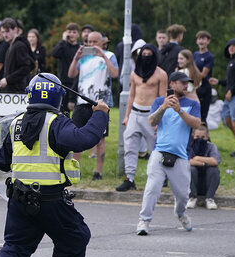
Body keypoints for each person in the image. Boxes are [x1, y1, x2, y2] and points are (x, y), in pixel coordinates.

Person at [0, 73, 108, 257]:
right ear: (58, 97)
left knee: (16, 245)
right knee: (75, 239)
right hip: (51, 201)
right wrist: (100, 114)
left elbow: (1, 160)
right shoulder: (57, 123)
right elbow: (84, 139)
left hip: (18, 199)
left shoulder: (16, 123)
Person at [136, 71, 201, 235]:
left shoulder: (192, 104)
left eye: (187, 83)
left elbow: (196, 123)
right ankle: (144, 221)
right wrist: (164, 107)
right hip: (159, 153)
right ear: (172, 84)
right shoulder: (159, 102)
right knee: (152, 187)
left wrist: (179, 110)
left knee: (182, 195)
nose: (186, 86)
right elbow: (152, 121)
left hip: (181, 156)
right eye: (183, 82)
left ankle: (181, 213)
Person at [68, 30, 119, 180]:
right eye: (89, 42)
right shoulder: (83, 58)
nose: (91, 45)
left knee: (100, 139)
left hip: (100, 103)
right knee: (75, 136)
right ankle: (75, 171)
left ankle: (98, 172)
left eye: (94, 42)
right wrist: (76, 58)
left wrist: (102, 55)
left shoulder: (109, 56)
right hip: (82, 101)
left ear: (102, 42)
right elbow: (71, 74)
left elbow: (115, 74)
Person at [117, 44, 167, 191]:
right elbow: (131, 95)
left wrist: (159, 120)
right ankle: (129, 178)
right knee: (130, 147)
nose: (146, 56)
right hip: (135, 113)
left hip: (151, 114)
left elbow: (162, 98)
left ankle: (160, 177)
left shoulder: (161, 74)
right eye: (143, 54)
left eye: (149, 54)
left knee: (155, 148)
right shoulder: (135, 73)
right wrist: (127, 116)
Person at [209, 39, 235, 159]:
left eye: (234, 46)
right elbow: (231, 81)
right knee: (227, 121)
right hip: (229, 97)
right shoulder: (231, 62)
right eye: (230, 46)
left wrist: (232, 91)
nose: (231, 48)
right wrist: (219, 82)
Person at [187, 125, 220, 210]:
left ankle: (210, 198)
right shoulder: (189, 146)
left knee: (214, 169)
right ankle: (192, 197)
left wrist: (198, 158)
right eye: (197, 136)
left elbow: (215, 161)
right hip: (192, 183)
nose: (200, 139)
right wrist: (204, 163)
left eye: (203, 137)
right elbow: (186, 161)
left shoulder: (211, 146)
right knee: (191, 169)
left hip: (207, 182)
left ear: (207, 137)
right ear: (193, 136)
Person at [0, 18, 35, 92]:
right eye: (3, 32)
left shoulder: (19, 46)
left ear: (15, 29)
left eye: (7, 31)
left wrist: (7, 80)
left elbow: (26, 68)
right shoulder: (11, 46)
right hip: (11, 91)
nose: (5, 35)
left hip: (17, 91)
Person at [51, 22, 81, 114]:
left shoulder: (80, 47)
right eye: (69, 32)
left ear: (78, 34)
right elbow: (54, 53)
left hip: (77, 84)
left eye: (74, 32)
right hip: (63, 83)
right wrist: (63, 40)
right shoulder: (63, 46)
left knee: (77, 113)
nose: (71, 34)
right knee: (62, 112)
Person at [194, 30, 215, 123]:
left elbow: (203, 74)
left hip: (204, 89)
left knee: (202, 118)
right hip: (195, 88)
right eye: (199, 39)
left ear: (208, 41)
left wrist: (190, 75)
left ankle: (204, 137)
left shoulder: (209, 56)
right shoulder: (195, 54)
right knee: (194, 115)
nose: (201, 41)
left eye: (203, 39)